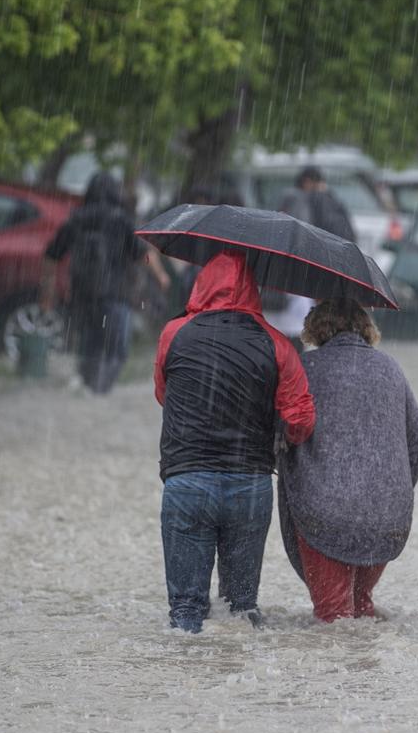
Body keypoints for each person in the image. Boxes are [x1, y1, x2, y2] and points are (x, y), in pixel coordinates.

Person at [278, 298, 418, 622]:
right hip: (384, 518)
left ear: (314, 328)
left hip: (325, 513)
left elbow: (282, 427)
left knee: (333, 618)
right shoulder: (389, 369)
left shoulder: (304, 368)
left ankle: (332, 661)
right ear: (367, 327)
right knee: (361, 609)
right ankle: (375, 657)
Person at [154, 250, 315, 632]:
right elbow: (301, 420)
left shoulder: (174, 333)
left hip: (187, 481)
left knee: (185, 613)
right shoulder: (277, 344)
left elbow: (163, 394)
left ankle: (179, 668)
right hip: (250, 485)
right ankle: (240, 668)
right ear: (253, 289)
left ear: (202, 284)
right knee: (241, 611)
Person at [41, 172, 170, 394]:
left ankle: (88, 385)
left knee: (89, 344)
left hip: (82, 293)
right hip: (115, 293)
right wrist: (161, 275)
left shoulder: (77, 219)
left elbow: (51, 256)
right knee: (116, 349)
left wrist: (48, 290)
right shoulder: (121, 219)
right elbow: (144, 254)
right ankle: (102, 388)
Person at [268, 167, 357, 349]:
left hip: (292, 280)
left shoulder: (294, 200)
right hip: (317, 276)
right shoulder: (329, 202)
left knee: (285, 336)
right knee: (299, 335)